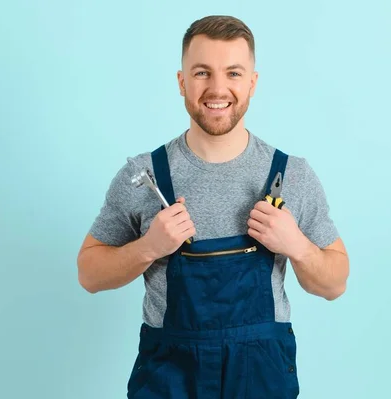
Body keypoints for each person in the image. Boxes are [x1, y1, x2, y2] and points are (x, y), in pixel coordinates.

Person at [77, 15, 350, 399]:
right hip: (170, 379)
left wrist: (297, 246)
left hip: (261, 378)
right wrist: (148, 248)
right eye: (202, 72)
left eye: (234, 73)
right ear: (182, 82)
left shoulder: (293, 176)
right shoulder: (143, 175)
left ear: (252, 83)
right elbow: (89, 274)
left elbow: (335, 283)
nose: (218, 88)